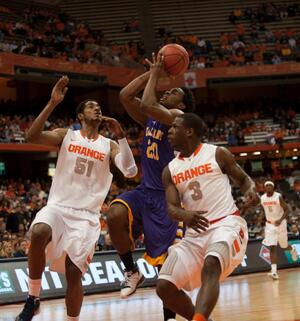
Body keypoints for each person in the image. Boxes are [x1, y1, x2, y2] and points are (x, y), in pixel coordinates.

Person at [15, 76, 137, 321]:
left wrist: (121, 137)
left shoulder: (109, 144)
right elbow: (31, 136)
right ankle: (33, 298)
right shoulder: (66, 135)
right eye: (91, 106)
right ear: (81, 115)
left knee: (73, 274)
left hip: (86, 217)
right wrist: (52, 103)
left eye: (98, 106)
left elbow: (130, 171)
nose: (97, 108)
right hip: (58, 207)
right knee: (38, 232)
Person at [107, 53, 195, 320]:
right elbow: (125, 96)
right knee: (114, 214)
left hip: (168, 200)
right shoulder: (152, 119)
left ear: (183, 103)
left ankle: (170, 317)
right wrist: (151, 73)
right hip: (146, 191)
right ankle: (131, 271)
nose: (169, 91)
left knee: (165, 271)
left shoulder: (178, 117)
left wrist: (157, 75)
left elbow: (146, 103)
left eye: (176, 90)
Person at [156, 113, 260, 321]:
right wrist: (185, 215)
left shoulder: (217, 153)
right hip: (194, 234)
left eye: (175, 127)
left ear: (189, 131)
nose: (169, 131)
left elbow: (243, 179)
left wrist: (250, 191)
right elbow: (171, 208)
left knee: (211, 263)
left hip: (226, 224)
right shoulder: (170, 170)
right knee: (164, 287)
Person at [261, 181, 298, 280]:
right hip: (269, 225)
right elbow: (263, 210)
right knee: (272, 247)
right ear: (264, 188)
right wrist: (261, 218)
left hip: (280, 224)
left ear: (273, 188)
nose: (268, 187)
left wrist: (280, 220)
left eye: (270, 185)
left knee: (284, 246)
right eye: (266, 185)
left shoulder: (278, 197)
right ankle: (274, 272)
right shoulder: (262, 198)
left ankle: (292, 249)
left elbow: (287, 210)